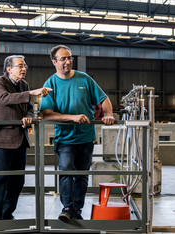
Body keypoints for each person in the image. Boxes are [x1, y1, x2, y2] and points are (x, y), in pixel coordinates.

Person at [39, 45, 115, 221]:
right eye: (63, 59)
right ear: (54, 62)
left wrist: (109, 114)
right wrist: (72, 117)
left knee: (81, 175)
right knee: (66, 171)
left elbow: (103, 99)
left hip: (86, 137)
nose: (68, 62)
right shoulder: (50, 84)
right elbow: (47, 114)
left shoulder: (85, 79)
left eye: (69, 58)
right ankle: (67, 208)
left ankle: (77, 210)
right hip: (65, 139)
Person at [0, 55, 52, 221]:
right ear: (9, 68)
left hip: (20, 139)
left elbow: (29, 107)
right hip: (1, 140)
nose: (24, 69)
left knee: (17, 181)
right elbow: (2, 99)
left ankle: (7, 213)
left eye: (25, 66)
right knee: (1, 180)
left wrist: (28, 116)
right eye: (20, 66)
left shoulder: (23, 84)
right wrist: (30, 93)